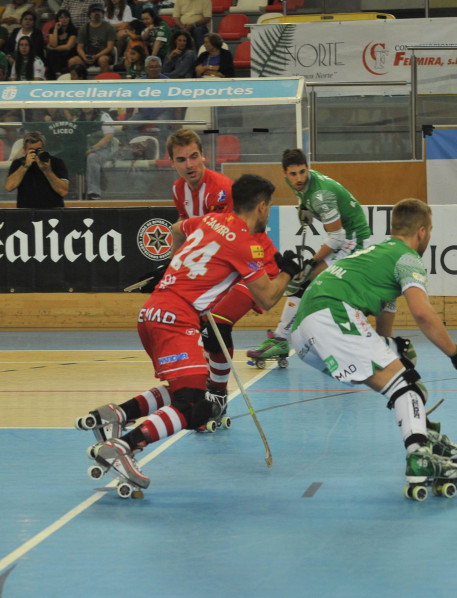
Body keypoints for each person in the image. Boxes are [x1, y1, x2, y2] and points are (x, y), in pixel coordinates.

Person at [75, 174, 303, 494]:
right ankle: (123, 447)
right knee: (194, 405)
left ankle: (116, 414)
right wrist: (289, 272)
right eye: (269, 208)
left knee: (182, 388)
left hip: (152, 310)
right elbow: (266, 297)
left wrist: (173, 269)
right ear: (262, 207)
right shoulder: (243, 242)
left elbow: (176, 229)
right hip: (175, 318)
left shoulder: (210, 219)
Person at [290, 198, 457, 495]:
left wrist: (393, 347)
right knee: (406, 384)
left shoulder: (376, 254)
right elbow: (423, 314)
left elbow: (383, 331)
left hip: (302, 334)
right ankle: (419, 455)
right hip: (332, 315)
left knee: (401, 378)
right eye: (429, 232)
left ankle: (424, 433)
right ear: (422, 231)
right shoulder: (407, 258)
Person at [163, 128, 278, 404]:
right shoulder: (178, 190)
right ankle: (209, 385)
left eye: (194, 157)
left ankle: (217, 394)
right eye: (181, 160)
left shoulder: (222, 189)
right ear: (172, 163)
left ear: (204, 155)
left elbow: (234, 238)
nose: (189, 165)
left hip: (251, 259)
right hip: (222, 263)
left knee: (216, 325)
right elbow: (187, 230)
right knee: (204, 324)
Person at [248, 148, 372, 364]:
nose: (298, 178)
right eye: (293, 174)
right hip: (346, 239)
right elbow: (309, 202)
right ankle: (282, 338)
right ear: (285, 173)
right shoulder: (299, 185)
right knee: (307, 285)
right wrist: (305, 208)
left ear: (308, 168)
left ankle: (281, 338)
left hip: (354, 242)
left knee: (305, 281)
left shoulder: (320, 195)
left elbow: (337, 237)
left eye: (302, 172)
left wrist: (312, 262)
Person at [5, 130, 69, 208]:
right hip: (26, 213)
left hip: (52, 213)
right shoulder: (18, 163)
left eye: (38, 150)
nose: (35, 153)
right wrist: (25, 166)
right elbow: (9, 187)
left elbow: (63, 191)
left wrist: (47, 170)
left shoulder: (56, 162)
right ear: (24, 150)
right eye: (31, 150)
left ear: (43, 148)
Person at [79, 106, 116, 200]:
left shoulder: (104, 116)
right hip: (85, 150)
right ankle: (76, 192)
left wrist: (92, 149)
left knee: (92, 157)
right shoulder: (78, 118)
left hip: (104, 150)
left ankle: (94, 192)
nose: (86, 106)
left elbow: (108, 137)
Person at [70, 2, 116, 73]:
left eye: (99, 11)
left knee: (102, 60)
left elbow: (109, 48)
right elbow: (79, 47)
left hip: (104, 55)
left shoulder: (109, 27)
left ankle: (106, 82)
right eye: (94, 11)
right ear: (89, 14)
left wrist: (96, 56)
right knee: (73, 61)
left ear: (103, 13)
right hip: (88, 55)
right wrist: (84, 57)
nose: (96, 13)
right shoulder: (83, 28)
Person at [45, 8, 79, 79]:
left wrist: (53, 48)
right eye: (61, 17)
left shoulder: (73, 30)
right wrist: (56, 29)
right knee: (52, 55)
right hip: (57, 55)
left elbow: (68, 47)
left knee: (53, 53)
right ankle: (57, 74)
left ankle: (55, 76)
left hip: (69, 54)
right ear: (57, 20)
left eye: (66, 17)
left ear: (69, 19)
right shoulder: (53, 29)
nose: (64, 19)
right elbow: (53, 44)